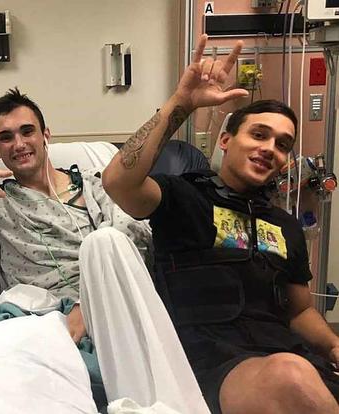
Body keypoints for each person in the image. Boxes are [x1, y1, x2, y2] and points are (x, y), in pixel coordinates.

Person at [0, 88, 213, 412]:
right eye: (5, 137)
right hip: (38, 322)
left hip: (107, 309)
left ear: (46, 135)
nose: (19, 144)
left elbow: (134, 247)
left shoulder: (95, 186)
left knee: (105, 242)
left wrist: (89, 306)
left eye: (27, 131)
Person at [102, 34, 339, 414]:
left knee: (295, 374)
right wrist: (181, 103)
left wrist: (332, 345)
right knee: (289, 378)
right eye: (259, 134)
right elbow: (118, 182)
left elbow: (299, 311)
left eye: (282, 144)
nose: (270, 149)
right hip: (211, 363)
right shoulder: (182, 198)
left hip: (288, 353)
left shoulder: (285, 226)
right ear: (226, 140)